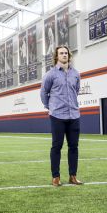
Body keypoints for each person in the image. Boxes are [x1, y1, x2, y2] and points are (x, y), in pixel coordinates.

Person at [40, 45, 82, 187]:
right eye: (61, 53)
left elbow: (76, 90)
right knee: (56, 146)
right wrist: (49, 107)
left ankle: (73, 176)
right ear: (56, 56)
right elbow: (43, 92)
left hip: (74, 115)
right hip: (57, 115)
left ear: (69, 56)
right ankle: (56, 177)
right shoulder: (50, 74)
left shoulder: (76, 73)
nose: (64, 55)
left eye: (66, 53)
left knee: (74, 147)